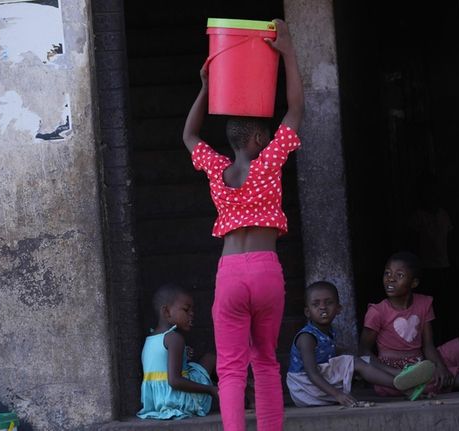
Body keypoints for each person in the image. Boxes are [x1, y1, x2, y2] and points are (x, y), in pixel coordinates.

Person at [182, 18, 303, 431]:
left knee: (231, 370)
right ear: (255, 141)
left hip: (230, 273)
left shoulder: (217, 170)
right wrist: (286, 52)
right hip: (266, 271)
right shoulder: (269, 164)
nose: (268, 141)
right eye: (265, 136)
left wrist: (204, 87)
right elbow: (296, 109)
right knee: (266, 361)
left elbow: (189, 135)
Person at [358, 251, 459, 397]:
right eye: (387, 273)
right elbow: (363, 351)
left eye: (399, 275)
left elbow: (428, 345)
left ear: (414, 282)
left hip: (421, 361)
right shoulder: (377, 311)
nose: (390, 279)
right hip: (392, 370)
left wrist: (439, 366)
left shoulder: (424, 303)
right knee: (449, 377)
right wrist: (397, 373)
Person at [287, 281, 436, 407]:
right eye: (316, 304)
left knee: (362, 359)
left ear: (339, 309)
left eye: (329, 303)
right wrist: (338, 395)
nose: (323, 308)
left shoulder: (327, 331)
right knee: (354, 362)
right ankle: (402, 384)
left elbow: (326, 352)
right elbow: (312, 374)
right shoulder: (307, 337)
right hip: (305, 388)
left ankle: (404, 380)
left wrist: (346, 352)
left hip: (315, 385)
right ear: (307, 311)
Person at [138, 283, 218, 420]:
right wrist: (211, 390)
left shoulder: (151, 339)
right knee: (211, 358)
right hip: (180, 402)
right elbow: (174, 381)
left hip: (159, 402)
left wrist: (184, 355)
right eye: (186, 310)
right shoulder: (174, 338)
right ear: (167, 312)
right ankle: (245, 396)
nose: (192, 314)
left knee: (194, 366)